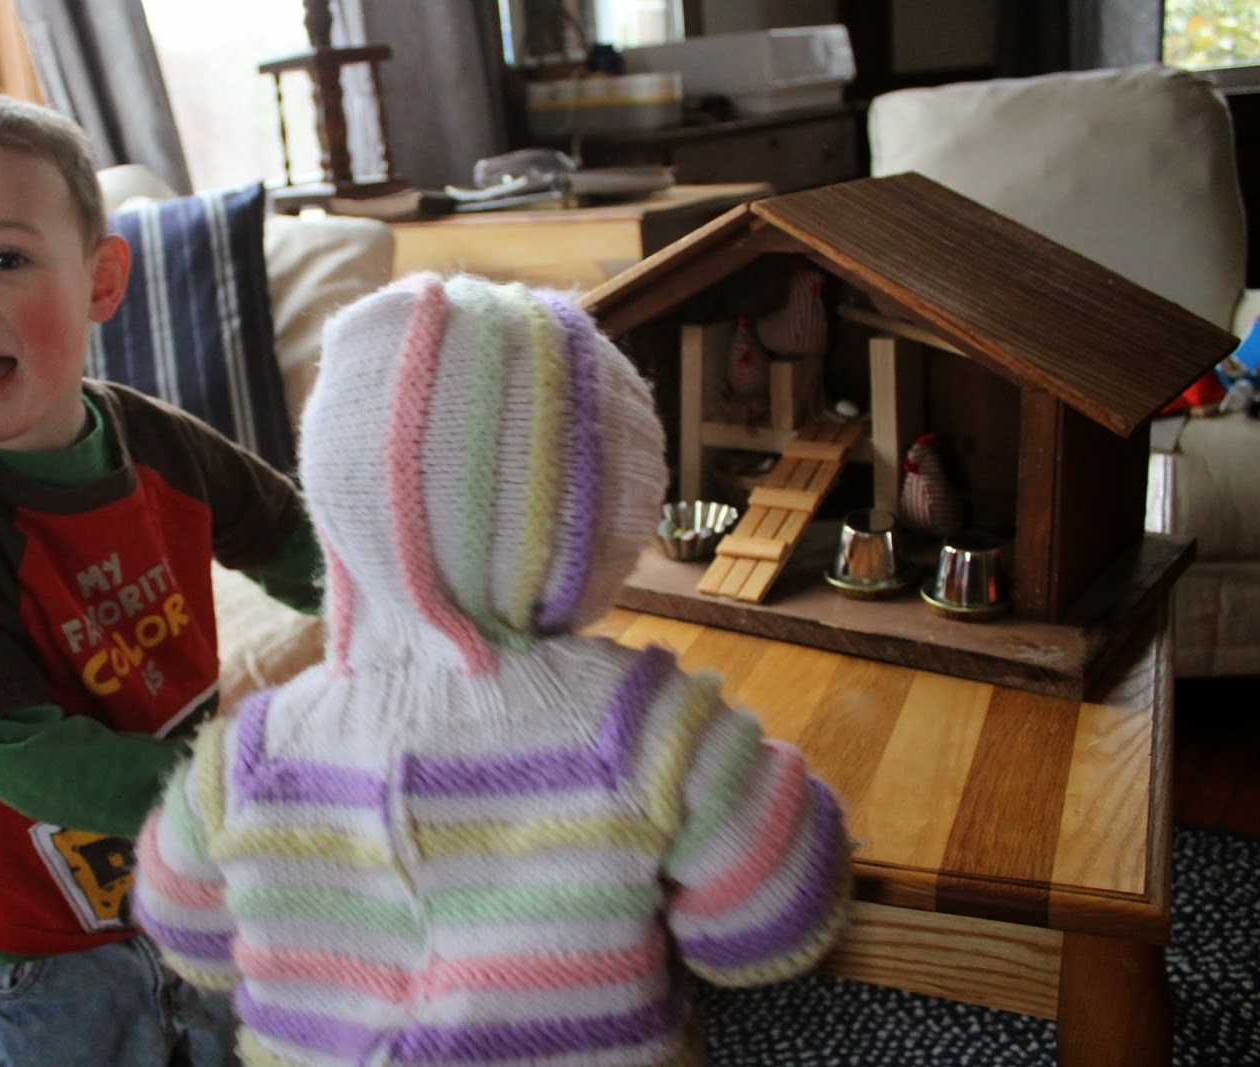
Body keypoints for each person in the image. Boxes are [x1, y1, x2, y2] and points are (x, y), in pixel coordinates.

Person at [131, 273, 853, 1065]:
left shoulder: (253, 752)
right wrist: (764, 775)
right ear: (604, 520)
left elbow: (188, 933)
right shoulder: (635, 724)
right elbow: (767, 923)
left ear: (336, 499)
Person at [0, 93, 320, 1066]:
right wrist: (234, 799)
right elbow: (14, 746)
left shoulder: (155, 440)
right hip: (29, 946)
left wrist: (415, 617)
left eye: (5, 259)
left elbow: (294, 542)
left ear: (102, 278)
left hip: (184, 883)